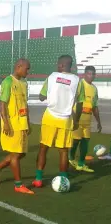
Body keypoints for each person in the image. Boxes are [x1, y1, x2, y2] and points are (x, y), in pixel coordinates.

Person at [32, 55, 85, 188]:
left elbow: (41, 97)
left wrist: (49, 94)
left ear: (61, 65)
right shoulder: (77, 81)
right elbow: (80, 104)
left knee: (43, 148)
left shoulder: (51, 77)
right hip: (65, 119)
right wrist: (76, 120)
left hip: (50, 117)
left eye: (58, 64)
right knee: (63, 151)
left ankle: (38, 179)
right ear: (70, 66)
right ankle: (63, 179)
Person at [0, 58, 34, 194]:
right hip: (13, 123)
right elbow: (2, 104)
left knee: (22, 153)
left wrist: (28, 122)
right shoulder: (8, 82)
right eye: (27, 68)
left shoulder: (24, 83)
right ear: (19, 67)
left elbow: (25, 104)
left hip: (23, 122)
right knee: (16, 154)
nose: (28, 71)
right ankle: (18, 185)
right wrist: (6, 124)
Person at [69, 66, 102, 171]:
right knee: (75, 141)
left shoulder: (94, 89)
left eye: (93, 74)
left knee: (86, 140)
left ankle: (81, 164)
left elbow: (95, 106)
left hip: (88, 119)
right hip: (78, 117)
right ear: (84, 74)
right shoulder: (80, 84)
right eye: (89, 74)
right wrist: (73, 117)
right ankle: (71, 158)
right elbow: (73, 100)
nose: (91, 76)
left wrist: (99, 122)